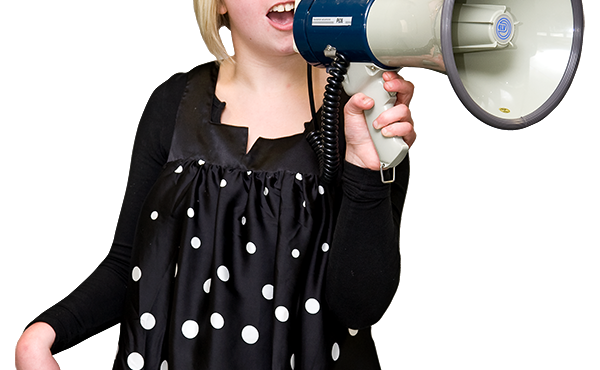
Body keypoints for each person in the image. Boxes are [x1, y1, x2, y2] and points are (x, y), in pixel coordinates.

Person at [15, 0, 417, 368]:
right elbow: (130, 266)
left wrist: (367, 171)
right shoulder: (172, 103)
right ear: (218, 4)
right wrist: (42, 335)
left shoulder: (364, 112)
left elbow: (359, 308)